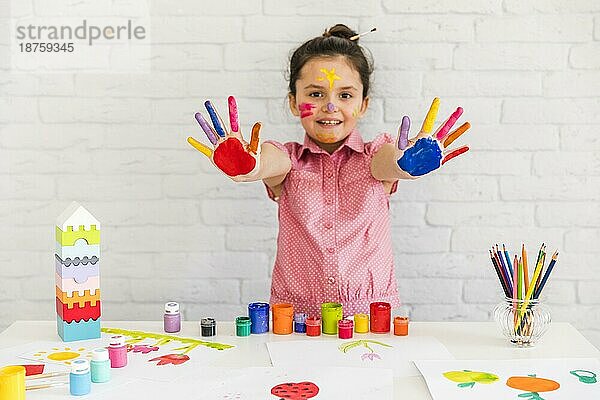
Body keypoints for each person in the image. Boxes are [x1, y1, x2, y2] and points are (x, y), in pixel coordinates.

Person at [187, 24, 471, 317]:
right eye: (316, 94)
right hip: (296, 318)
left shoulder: (374, 157)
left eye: (345, 95)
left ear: (364, 104)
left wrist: (407, 162)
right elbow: (265, 162)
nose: (331, 106)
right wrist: (247, 164)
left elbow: (390, 162)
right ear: (294, 103)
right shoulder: (290, 160)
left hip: (369, 317)